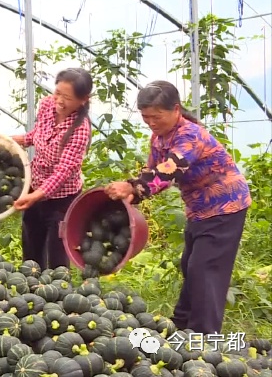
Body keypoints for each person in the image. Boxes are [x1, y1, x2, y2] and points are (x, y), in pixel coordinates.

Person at [105, 80, 251, 335]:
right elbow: (152, 171)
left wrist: (131, 186)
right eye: (146, 117)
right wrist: (132, 193)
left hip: (226, 205)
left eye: (156, 116)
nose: (151, 122)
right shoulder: (159, 138)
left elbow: (170, 170)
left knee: (205, 268)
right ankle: (182, 323)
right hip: (198, 209)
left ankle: (203, 336)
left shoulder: (190, 134)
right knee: (190, 265)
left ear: (175, 109)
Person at [12, 68, 93, 271]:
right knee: (31, 254)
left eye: (67, 98)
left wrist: (36, 195)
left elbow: (63, 171)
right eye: (57, 93)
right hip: (35, 186)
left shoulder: (80, 129)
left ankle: (59, 290)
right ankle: (31, 286)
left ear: (83, 100)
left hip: (62, 200)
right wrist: (18, 140)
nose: (59, 101)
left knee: (57, 259)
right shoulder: (48, 104)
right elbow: (38, 134)